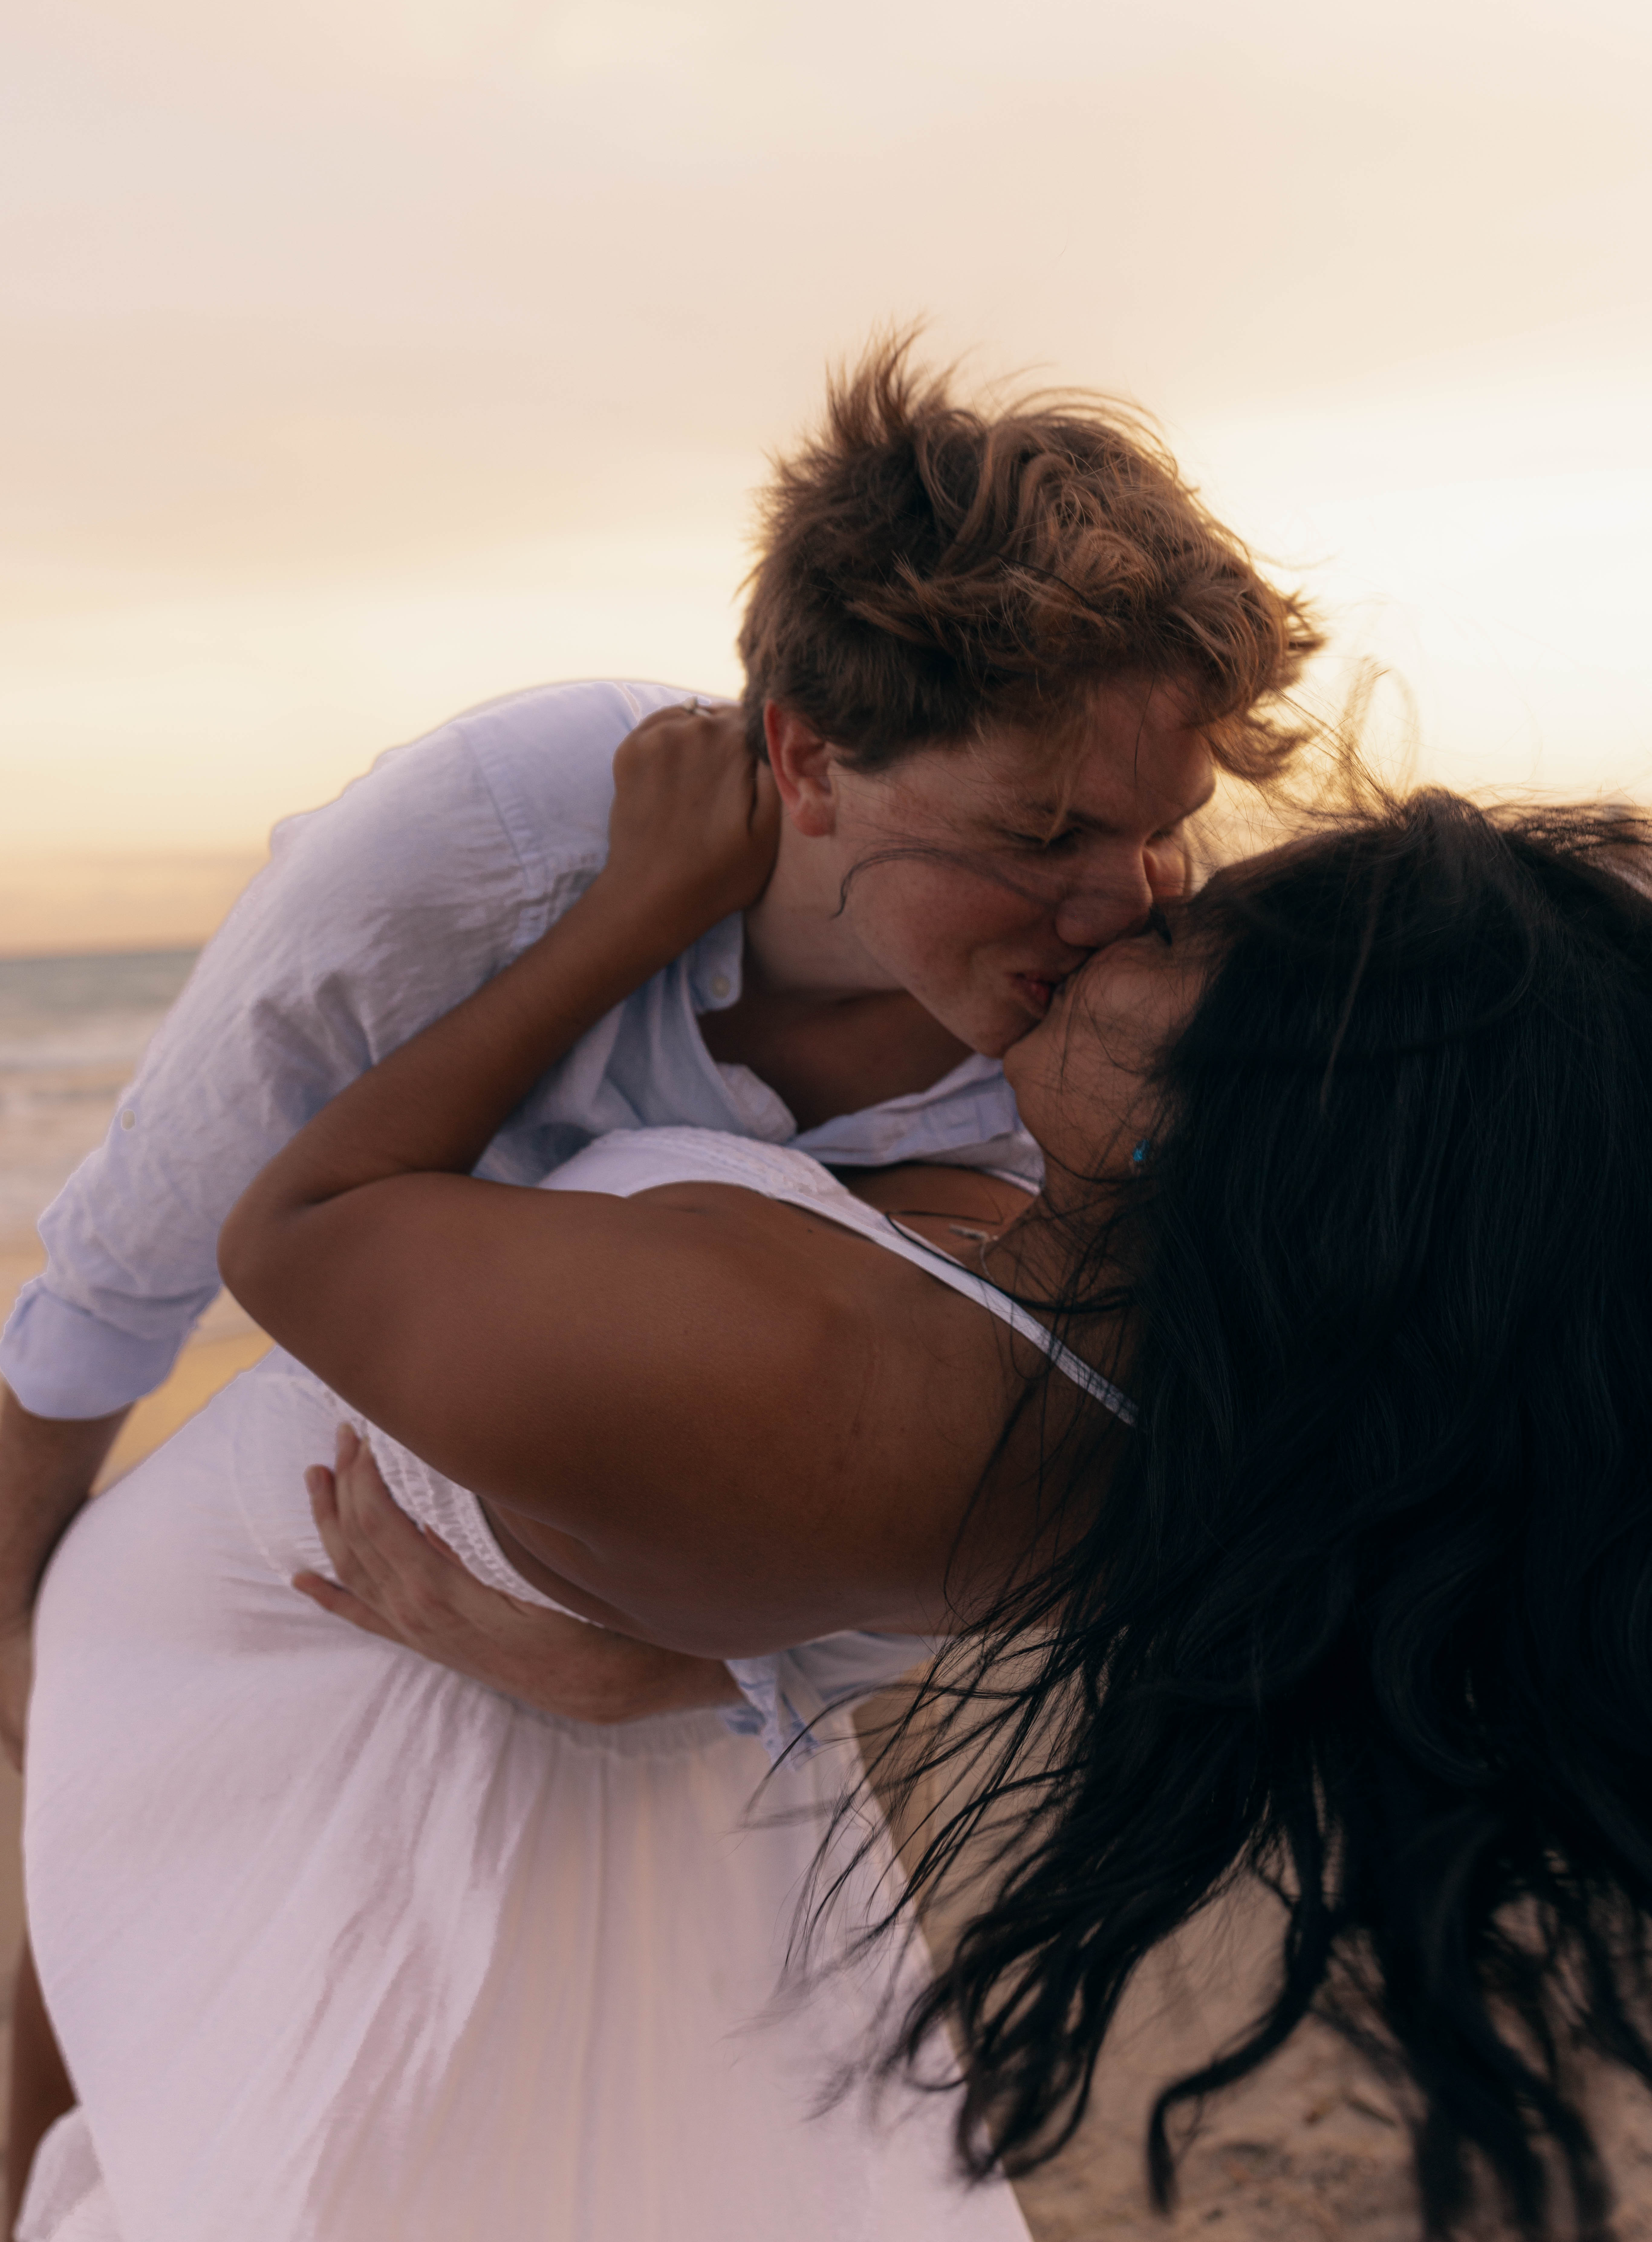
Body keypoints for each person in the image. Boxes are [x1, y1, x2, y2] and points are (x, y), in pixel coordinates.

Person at [22, 735, 1652, 2242]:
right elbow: (847, 1595)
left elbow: (299, 1230)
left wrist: (628, 910)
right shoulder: (1138, 1354)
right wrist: (714, 1673)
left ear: (1235, 1119)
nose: (1125, 909)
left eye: (1170, 937)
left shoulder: (830, 1376)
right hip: (356, 1718)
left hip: (287, 1715)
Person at [0, 337, 1315, 1771]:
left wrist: (698, 1677)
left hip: (621, 1651)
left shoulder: (1097, 1046)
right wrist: (16, 1595)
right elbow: (159, 1212)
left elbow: (996, 1472)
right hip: (330, 1515)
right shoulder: (514, 825)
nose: (1129, 900)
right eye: (1041, 831)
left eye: (1162, 823)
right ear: (808, 760)